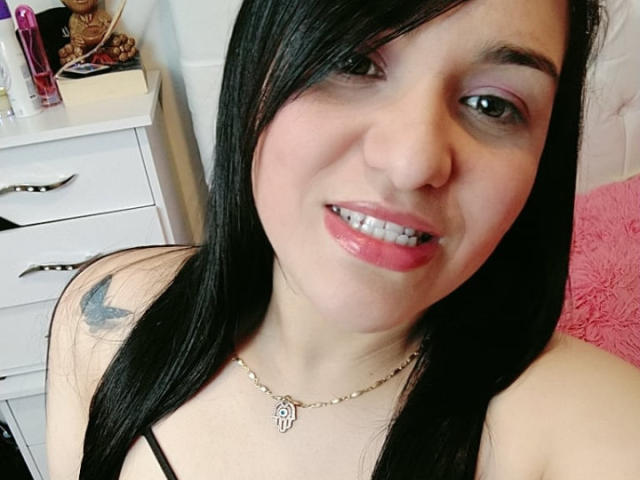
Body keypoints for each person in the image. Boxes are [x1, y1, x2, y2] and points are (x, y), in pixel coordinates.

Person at [46, 0, 640, 479]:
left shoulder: (600, 430)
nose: (412, 162)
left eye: (492, 105)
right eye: (353, 62)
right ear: (257, 67)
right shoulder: (103, 321)